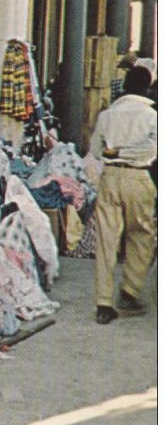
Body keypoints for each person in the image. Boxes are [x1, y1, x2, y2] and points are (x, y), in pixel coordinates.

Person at [89, 66, 157, 325]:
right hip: (137, 177)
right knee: (141, 235)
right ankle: (129, 291)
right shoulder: (152, 117)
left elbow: (96, 150)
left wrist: (114, 153)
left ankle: (104, 303)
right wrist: (127, 153)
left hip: (110, 178)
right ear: (147, 88)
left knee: (106, 240)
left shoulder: (107, 115)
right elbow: (153, 149)